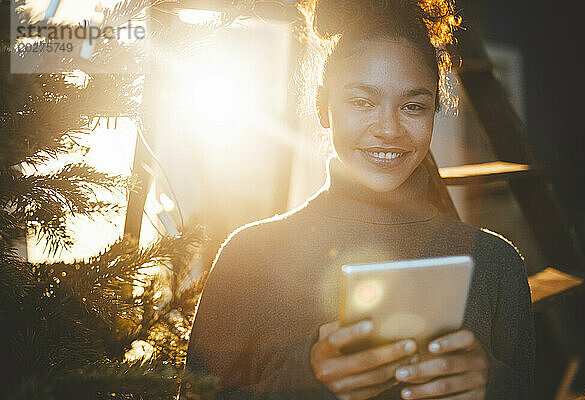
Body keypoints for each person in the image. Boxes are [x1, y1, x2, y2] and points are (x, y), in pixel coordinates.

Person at [181, 0, 535, 399]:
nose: (388, 129)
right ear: (323, 106)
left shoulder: (495, 263)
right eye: (362, 101)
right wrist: (306, 383)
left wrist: (493, 386)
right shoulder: (249, 256)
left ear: (436, 110)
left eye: (413, 106)